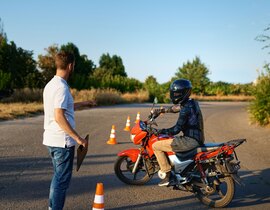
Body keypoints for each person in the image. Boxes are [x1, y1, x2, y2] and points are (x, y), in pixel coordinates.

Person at [43, 50, 88, 210]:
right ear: (70, 66)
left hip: (51, 140)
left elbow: (62, 107)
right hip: (62, 142)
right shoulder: (62, 87)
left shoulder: (50, 85)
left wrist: (83, 103)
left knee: (58, 179)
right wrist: (77, 138)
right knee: (61, 182)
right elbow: (59, 116)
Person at [152, 79, 205, 186]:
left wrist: (160, 131)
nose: (174, 95)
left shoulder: (185, 109)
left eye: (176, 93)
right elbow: (176, 108)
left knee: (156, 146)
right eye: (174, 93)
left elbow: (176, 130)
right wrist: (162, 110)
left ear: (183, 93)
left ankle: (167, 175)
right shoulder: (192, 103)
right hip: (198, 138)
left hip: (190, 141)